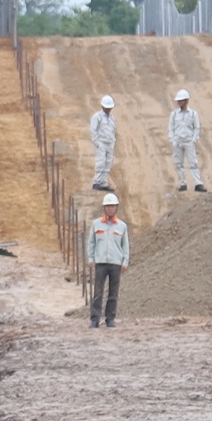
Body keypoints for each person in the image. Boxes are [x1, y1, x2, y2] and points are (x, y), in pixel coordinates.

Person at [86, 192, 128, 328]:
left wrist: (125, 261)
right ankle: (95, 319)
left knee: (113, 292)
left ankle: (110, 318)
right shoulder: (96, 224)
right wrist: (91, 258)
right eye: (108, 206)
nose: (110, 209)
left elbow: (125, 245)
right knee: (98, 292)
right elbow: (91, 242)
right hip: (101, 263)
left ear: (116, 208)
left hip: (116, 263)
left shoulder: (122, 226)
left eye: (113, 206)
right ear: (104, 208)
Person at [169, 90, 203, 191]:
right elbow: (171, 128)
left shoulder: (193, 114)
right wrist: (173, 140)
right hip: (178, 141)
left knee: (193, 163)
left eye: (181, 101)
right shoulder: (174, 114)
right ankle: (182, 183)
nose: (179, 103)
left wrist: (194, 139)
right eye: (178, 101)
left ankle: (198, 183)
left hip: (188, 141)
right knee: (179, 163)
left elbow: (197, 127)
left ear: (186, 101)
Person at [89, 95, 117, 191]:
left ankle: (104, 182)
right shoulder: (97, 117)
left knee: (108, 163)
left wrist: (113, 142)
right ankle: (97, 182)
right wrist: (97, 143)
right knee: (101, 162)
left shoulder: (112, 118)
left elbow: (113, 131)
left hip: (109, 143)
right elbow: (93, 130)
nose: (108, 109)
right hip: (101, 142)